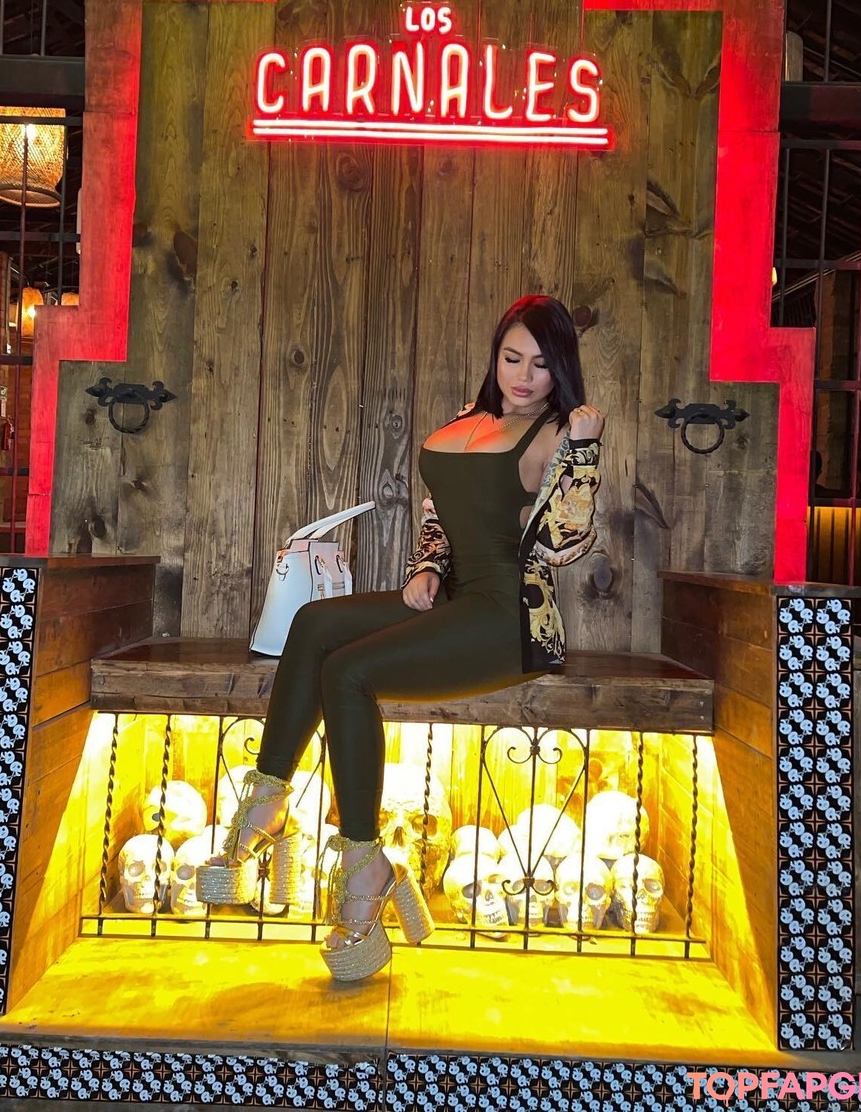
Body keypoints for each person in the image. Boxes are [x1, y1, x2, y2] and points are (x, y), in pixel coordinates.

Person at [209, 295, 605, 981]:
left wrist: (585, 450)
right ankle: (267, 799)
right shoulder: (466, 421)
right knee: (313, 623)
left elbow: (562, 543)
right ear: (495, 355)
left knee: (349, 671)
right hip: (452, 598)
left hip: (511, 620)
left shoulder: (557, 434)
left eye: (541, 364)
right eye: (512, 357)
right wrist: (427, 566)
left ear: (560, 368)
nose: (523, 376)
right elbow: (440, 515)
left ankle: (364, 865)